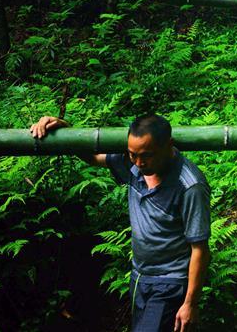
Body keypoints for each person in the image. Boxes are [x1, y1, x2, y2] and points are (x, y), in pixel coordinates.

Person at [30, 114, 211, 332]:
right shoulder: (133, 166)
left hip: (170, 281)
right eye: (132, 154)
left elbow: (199, 248)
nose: (139, 162)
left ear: (168, 145)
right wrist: (65, 129)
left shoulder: (189, 186)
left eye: (146, 156)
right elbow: (92, 158)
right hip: (140, 277)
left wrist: (190, 303)